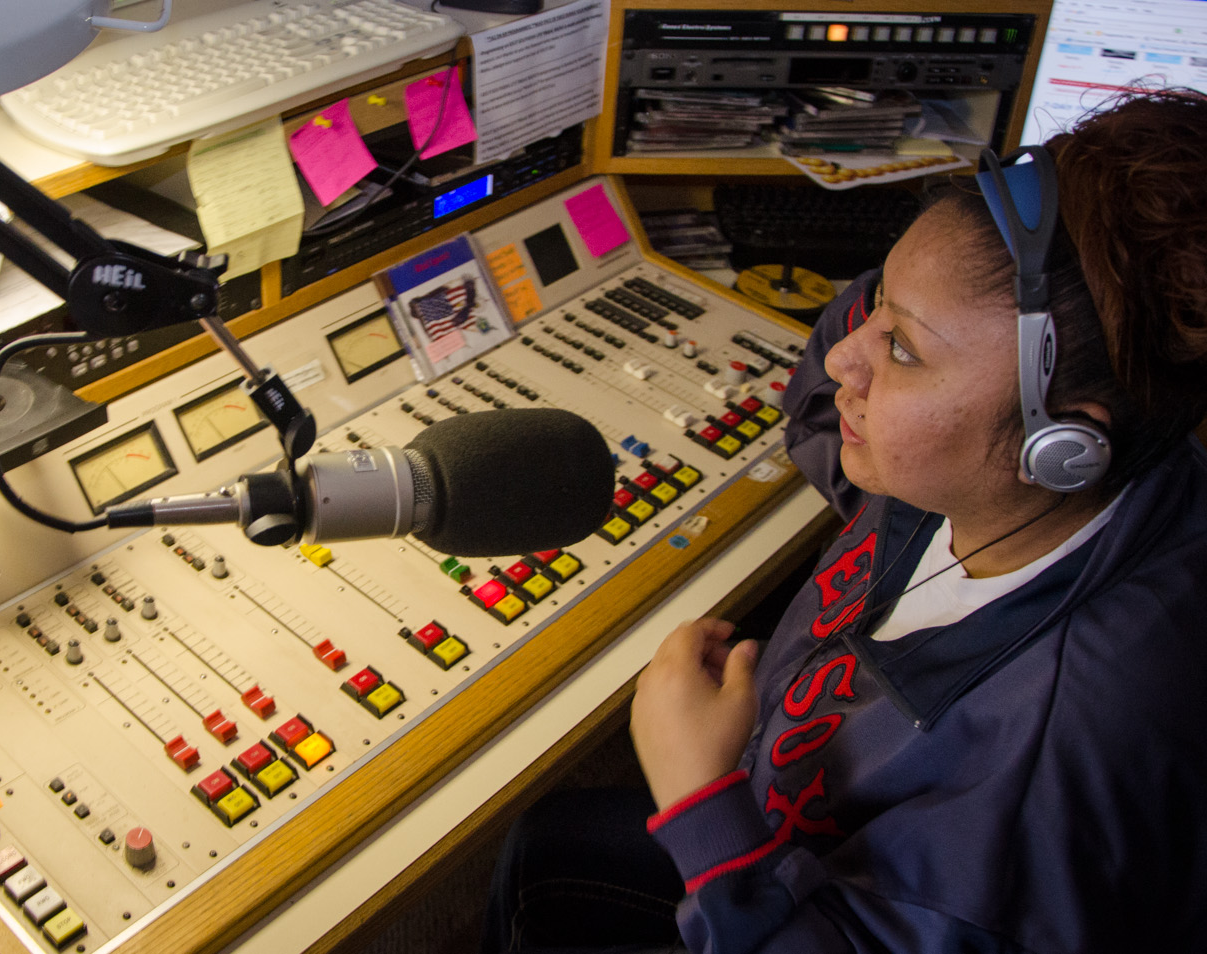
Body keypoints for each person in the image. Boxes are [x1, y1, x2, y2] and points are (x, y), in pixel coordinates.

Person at [483, 90, 1207, 953]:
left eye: (900, 350)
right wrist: (915, 298)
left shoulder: (1051, 762)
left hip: (784, 896)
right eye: (879, 312)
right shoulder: (995, 475)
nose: (841, 359)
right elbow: (825, 396)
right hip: (781, 820)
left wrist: (699, 802)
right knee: (545, 844)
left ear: (1060, 446)